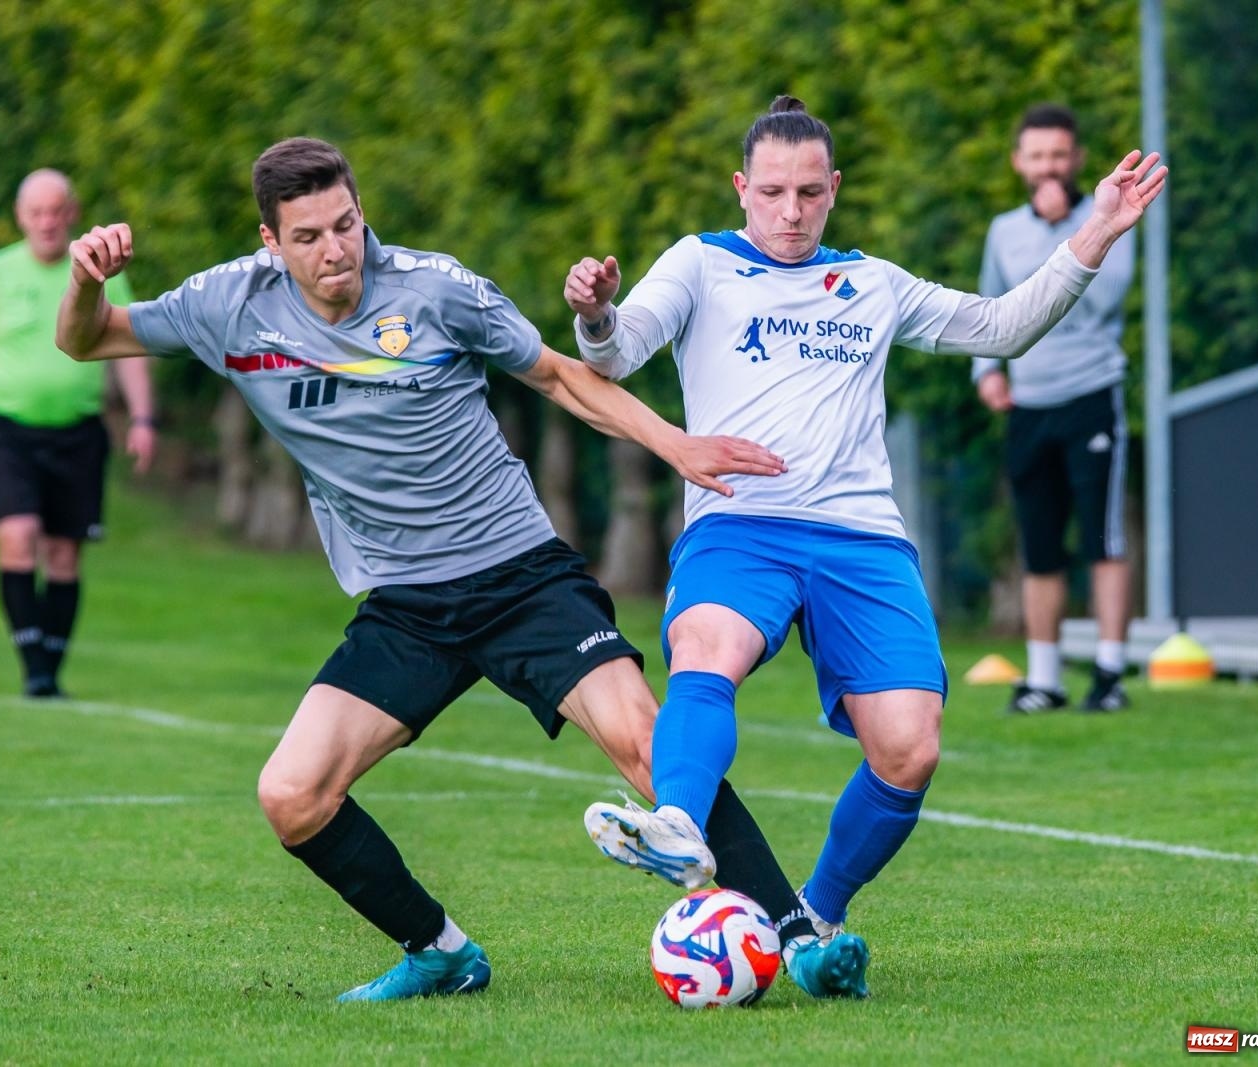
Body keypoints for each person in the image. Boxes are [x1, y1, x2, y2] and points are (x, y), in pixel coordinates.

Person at [56, 137, 834, 1003]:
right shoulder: (228, 305)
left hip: (521, 575)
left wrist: (674, 442)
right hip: (405, 604)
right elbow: (87, 340)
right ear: (270, 242)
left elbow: (558, 377)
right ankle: (440, 951)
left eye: (346, 224)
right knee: (292, 793)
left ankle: (801, 939)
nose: (337, 249)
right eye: (308, 236)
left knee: (652, 749)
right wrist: (86, 281)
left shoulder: (435, 288)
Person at [567, 96, 1164, 998]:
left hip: (860, 537)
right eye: (773, 192)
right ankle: (678, 825)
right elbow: (614, 357)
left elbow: (1001, 327)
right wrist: (598, 314)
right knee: (707, 645)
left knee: (910, 748)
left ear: (835, 189)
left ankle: (815, 917)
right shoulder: (700, 262)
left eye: (810, 192)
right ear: (742, 188)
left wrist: (1099, 232)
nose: (792, 211)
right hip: (740, 520)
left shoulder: (873, 283)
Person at [0, 169, 157, 698]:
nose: (47, 222)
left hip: (78, 433)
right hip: (8, 430)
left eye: (56, 211)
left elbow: (128, 348)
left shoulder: (99, 271)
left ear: (72, 214)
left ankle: (50, 670)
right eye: (36, 213)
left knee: (63, 554)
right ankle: (34, 667)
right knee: (17, 538)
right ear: (21, 217)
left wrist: (143, 418)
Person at [973, 104, 1138, 714]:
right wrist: (987, 372)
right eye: (1037, 155)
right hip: (1029, 404)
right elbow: (990, 308)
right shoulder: (1003, 231)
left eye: (1059, 155)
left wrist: (1066, 232)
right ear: (1019, 162)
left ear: (1076, 159)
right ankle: (1044, 679)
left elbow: (1104, 297)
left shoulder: (1111, 214)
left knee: (1103, 539)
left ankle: (1109, 673)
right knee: (1039, 544)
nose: (1049, 166)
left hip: (1091, 394)